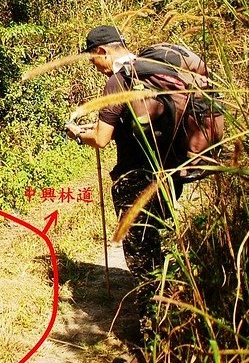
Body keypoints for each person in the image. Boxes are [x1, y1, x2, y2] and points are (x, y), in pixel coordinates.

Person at [65, 25, 185, 292]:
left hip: (136, 179)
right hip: (172, 173)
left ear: (101, 50)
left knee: (142, 256)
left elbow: (100, 139)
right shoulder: (153, 71)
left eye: (92, 58)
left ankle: (152, 325)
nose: (94, 65)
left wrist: (76, 134)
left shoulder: (118, 81)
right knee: (158, 241)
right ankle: (171, 306)